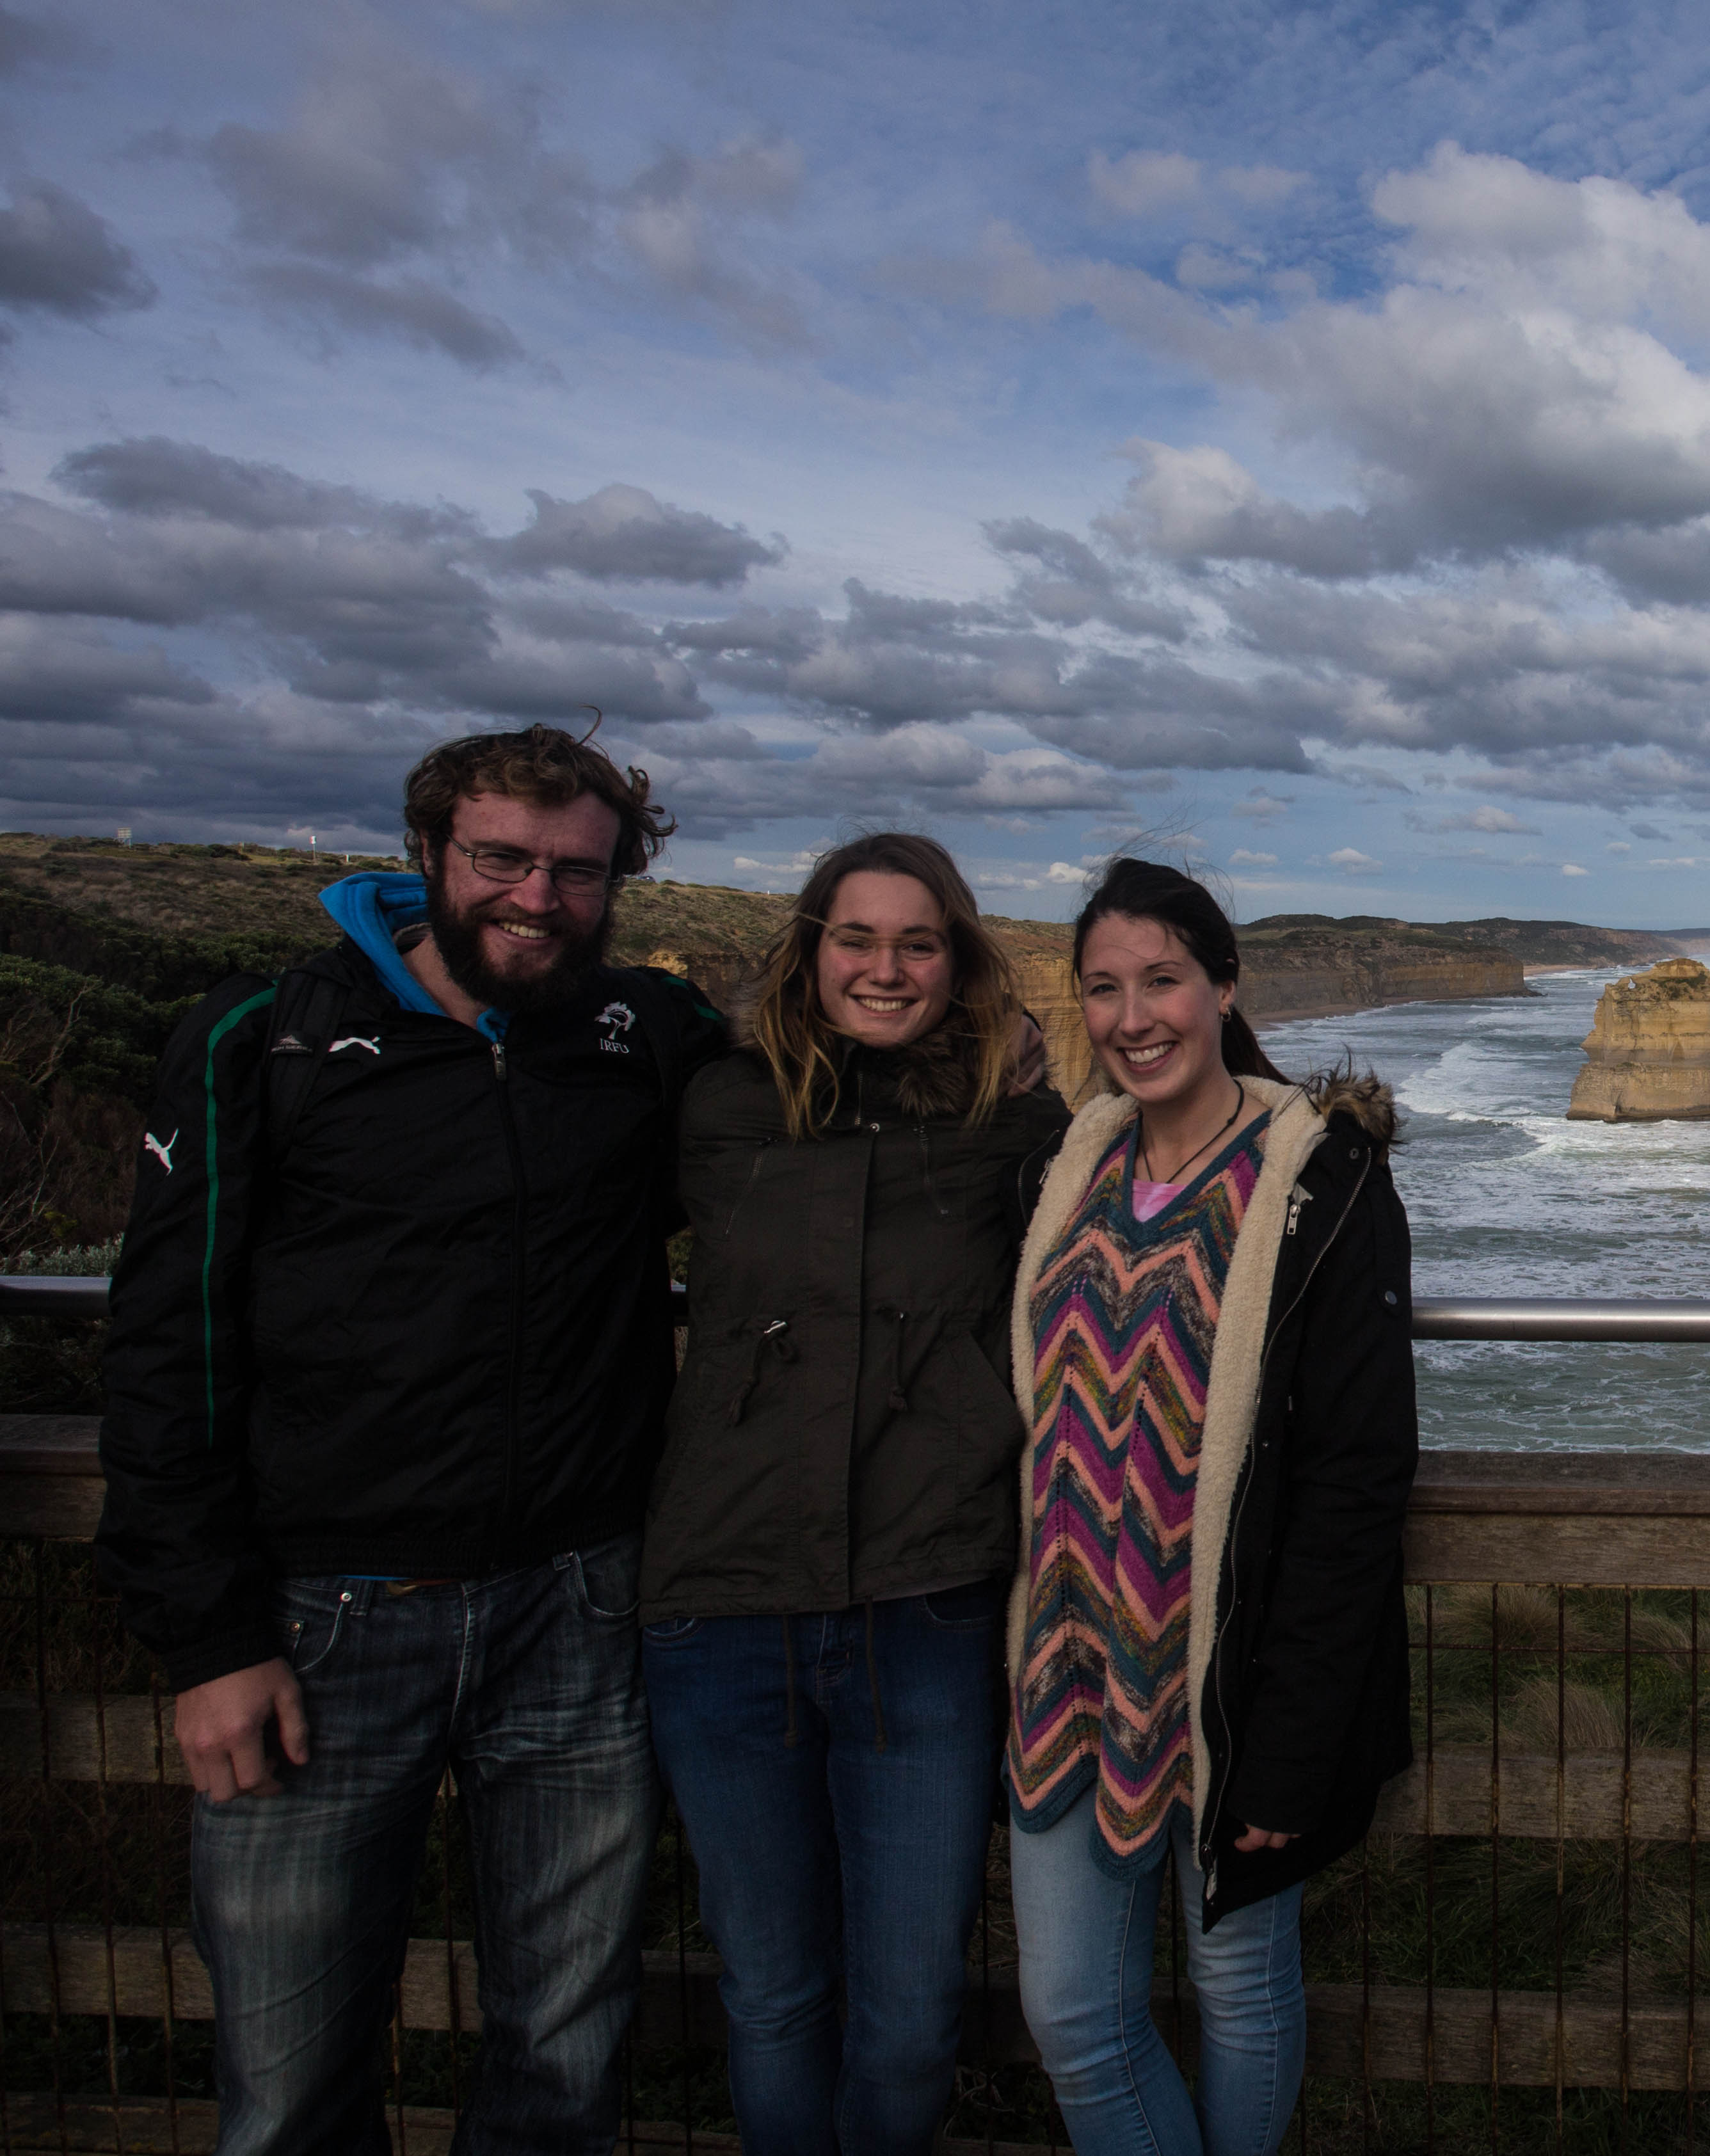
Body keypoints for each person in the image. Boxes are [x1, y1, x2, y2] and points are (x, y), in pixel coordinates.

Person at [97, 723, 729, 2156]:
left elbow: (820, 1127)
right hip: (320, 1625)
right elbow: (162, 1345)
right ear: (430, 851)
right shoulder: (262, 1036)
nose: (538, 895)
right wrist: (206, 1635)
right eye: (502, 857)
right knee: (291, 2076)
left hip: (578, 1610)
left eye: (578, 869)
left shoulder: (643, 1035)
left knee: (563, 2062)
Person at [637, 833, 1069, 2156]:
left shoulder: (1017, 1121)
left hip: (923, 1600)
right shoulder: (712, 1099)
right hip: (723, 1600)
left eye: (918, 942)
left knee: (907, 2010)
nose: (886, 969)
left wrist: (1328, 1117)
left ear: (959, 959)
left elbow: (1171, 1170)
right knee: (773, 1997)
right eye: (857, 939)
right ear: (810, 947)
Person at [1002, 858, 1418, 2156]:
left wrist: (1290, 1743)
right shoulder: (1070, 1160)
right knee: (1072, 2010)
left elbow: (1356, 1474)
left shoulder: (1319, 1175)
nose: (1134, 1016)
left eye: (1163, 980)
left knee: (1238, 1985)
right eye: (1104, 988)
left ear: (1222, 986)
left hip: (1222, 1673)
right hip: (1066, 1658)